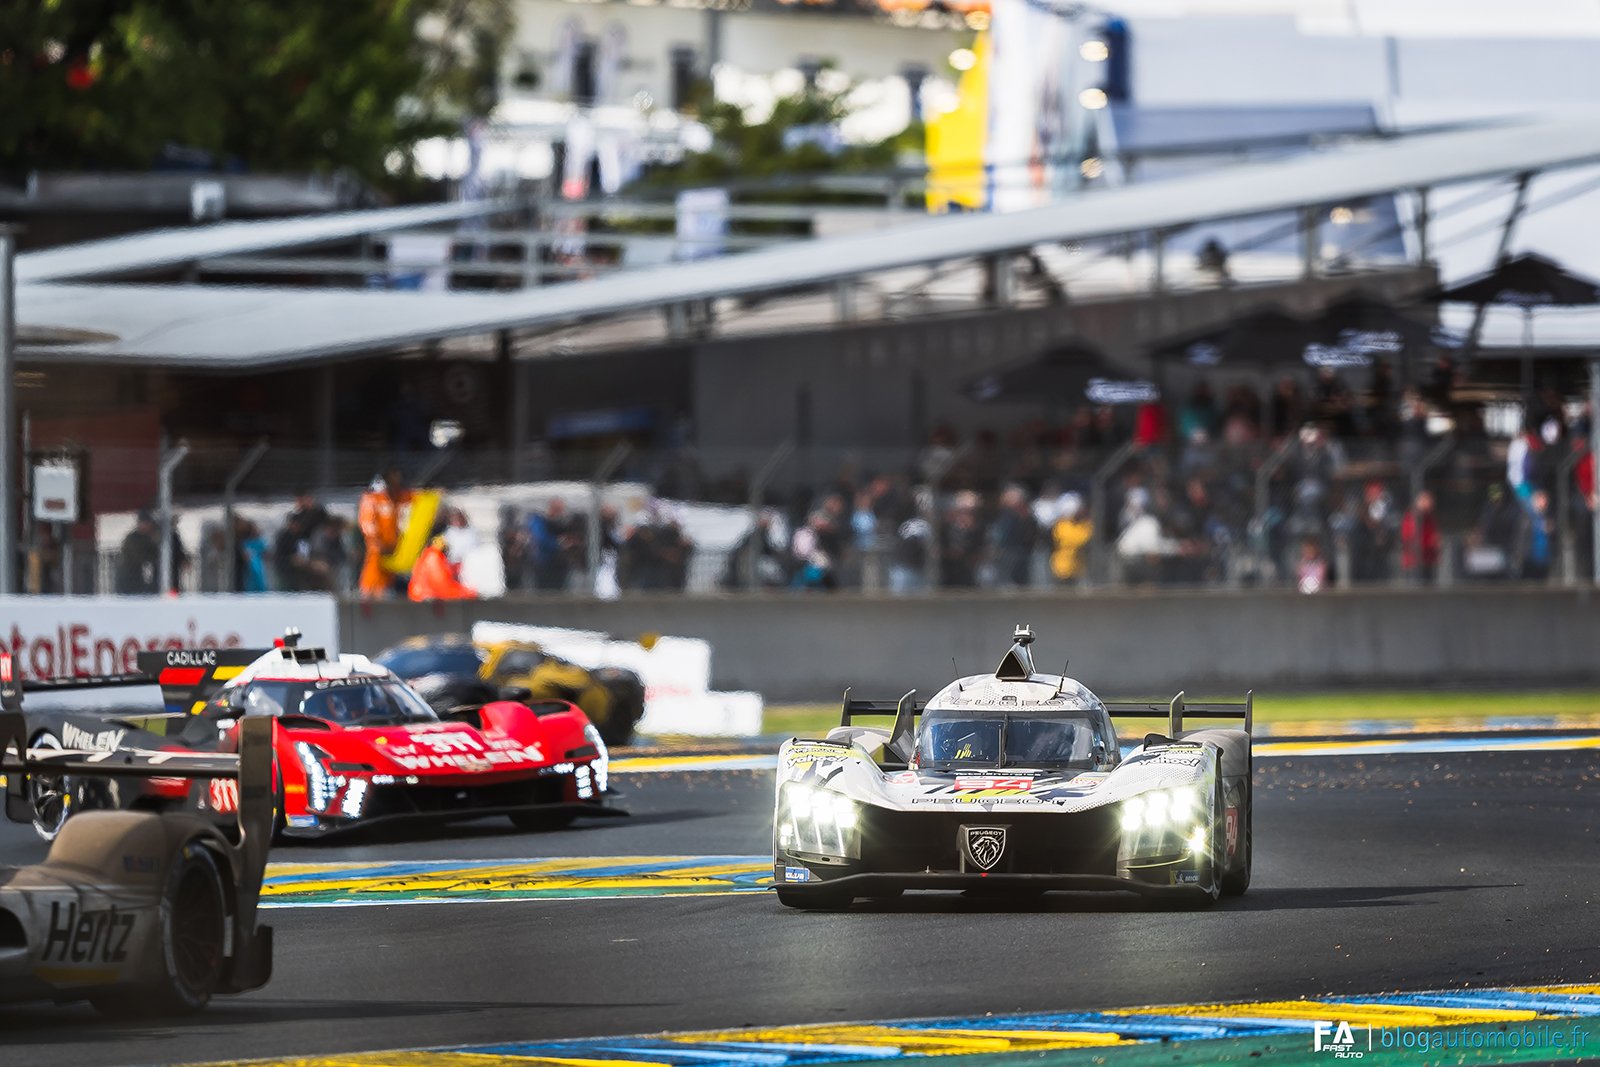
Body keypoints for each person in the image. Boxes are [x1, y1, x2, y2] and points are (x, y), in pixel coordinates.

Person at [358, 469, 410, 599]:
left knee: (389, 580)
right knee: (373, 578)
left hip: (393, 547)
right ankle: (369, 598)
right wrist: (377, 542)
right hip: (379, 549)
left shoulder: (396, 499)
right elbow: (367, 524)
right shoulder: (372, 499)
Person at [407, 535, 477, 601]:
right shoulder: (434, 557)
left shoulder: (428, 556)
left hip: (422, 597)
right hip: (426, 598)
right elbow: (442, 586)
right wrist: (465, 593)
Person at [114, 510, 162, 594]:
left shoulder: (147, 537)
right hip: (128, 577)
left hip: (139, 577)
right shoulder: (132, 538)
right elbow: (139, 556)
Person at [1049, 493, 1092, 584]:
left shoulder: (1083, 525)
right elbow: (1076, 540)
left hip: (1078, 568)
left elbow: (1089, 536)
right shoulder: (1061, 525)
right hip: (1062, 568)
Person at [1400, 490, 1441, 584]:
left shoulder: (1430, 518)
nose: (1431, 504)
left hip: (1428, 562)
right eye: (1427, 501)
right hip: (1414, 563)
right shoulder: (1411, 517)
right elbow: (1409, 541)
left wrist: (1435, 544)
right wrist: (1430, 545)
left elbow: (1434, 535)